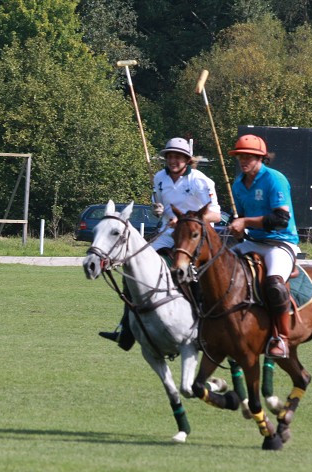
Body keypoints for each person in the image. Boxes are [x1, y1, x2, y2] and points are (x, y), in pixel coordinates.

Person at [100, 137, 221, 350]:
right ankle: (127, 328)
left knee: (195, 276)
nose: (173, 160)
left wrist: (186, 220)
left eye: (178, 157)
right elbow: (162, 207)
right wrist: (158, 210)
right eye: (170, 156)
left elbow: (216, 215)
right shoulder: (159, 178)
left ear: (187, 159)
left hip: (195, 234)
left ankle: (205, 325)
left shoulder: (200, 181)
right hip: (168, 232)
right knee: (134, 267)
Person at [226, 134, 301, 359]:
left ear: (261, 158)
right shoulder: (238, 184)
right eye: (241, 156)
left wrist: (245, 222)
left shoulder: (274, 179)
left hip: (281, 242)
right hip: (253, 242)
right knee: (217, 269)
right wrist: (235, 225)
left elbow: (280, 218)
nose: (244, 160)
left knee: (274, 284)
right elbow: (238, 215)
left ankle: (282, 338)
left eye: (249, 156)